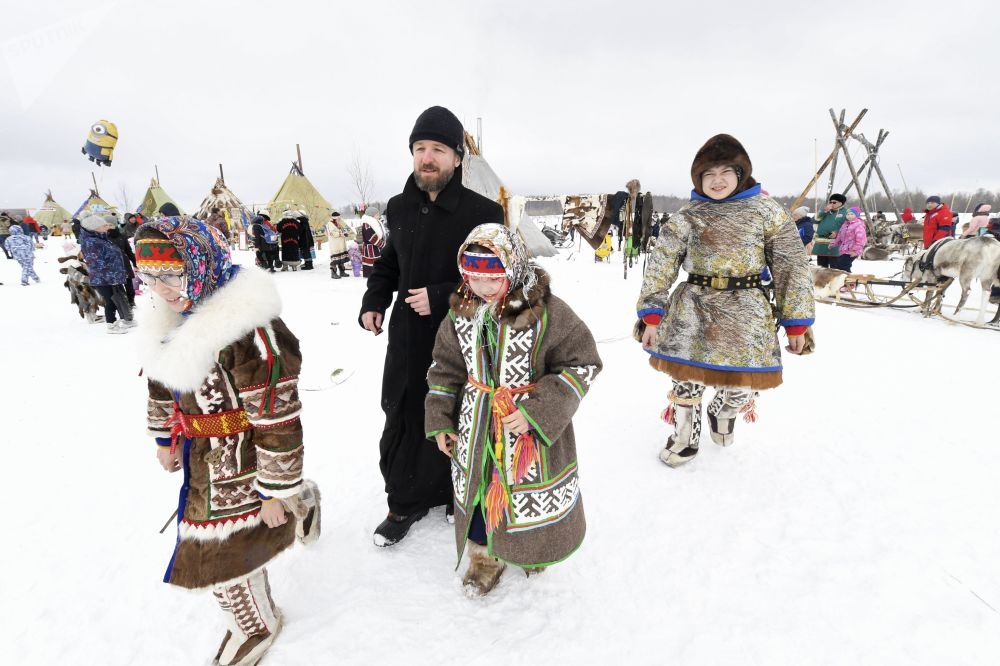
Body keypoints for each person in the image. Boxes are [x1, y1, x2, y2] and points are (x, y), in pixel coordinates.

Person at [133, 216, 319, 666]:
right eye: (149, 276)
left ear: (198, 265)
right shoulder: (171, 315)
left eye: (171, 274)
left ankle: (256, 621)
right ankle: (303, 499)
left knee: (222, 549)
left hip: (246, 454)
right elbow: (161, 380)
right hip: (201, 454)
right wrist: (164, 435)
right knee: (216, 536)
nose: (161, 288)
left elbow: (277, 420)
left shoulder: (250, 331)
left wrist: (272, 490)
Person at [426, 224, 601, 595]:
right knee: (479, 494)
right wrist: (440, 419)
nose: (482, 288)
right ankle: (485, 558)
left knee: (527, 495)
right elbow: (445, 368)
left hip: (526, 430)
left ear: (514, 266)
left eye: (492, 278)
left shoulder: (548, 313)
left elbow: (582, 363)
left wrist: (539, 410)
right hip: (475, 427)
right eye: (472, 278)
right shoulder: (462, 312)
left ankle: (532, 549)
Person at [359, 105, 504, 547]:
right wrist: (373, 300)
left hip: (460, 339)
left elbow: (495, 276)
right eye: (420, 148)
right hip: (406, 338)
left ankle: (451, 493)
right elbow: (388, 263)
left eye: (438, 149)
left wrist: (442, 294)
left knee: (456, 411)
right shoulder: (399, 207)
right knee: (402, 411)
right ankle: (403, 503)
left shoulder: (483, 212)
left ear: (457, 158)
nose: (427, 157)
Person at [636, 134, 814, 468]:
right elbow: (661, 263)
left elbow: (791, 265)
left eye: (725, 172)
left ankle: (724, 409)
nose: (717, 181)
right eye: (708, 174)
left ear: (740, 172)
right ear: (698, 179)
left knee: (742, 380)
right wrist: (652, 313)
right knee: (685, 378)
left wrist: (797, 322)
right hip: (693, 305)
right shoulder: (690, 214)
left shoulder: (767, 212)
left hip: (747, 307)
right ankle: (685, 436)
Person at [78, 214, 135, 334]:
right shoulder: (91, 242)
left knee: (118, 299)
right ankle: (111, 325)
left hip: (111, 276)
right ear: (95, 228)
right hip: (103, 278)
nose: (106, 227)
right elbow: (98, 263)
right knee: (111, 301)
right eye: (103, 225)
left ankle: (122, 320)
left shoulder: (100, 238)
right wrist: (113, 276)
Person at [812, 193, 848, 268]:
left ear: (841, 203)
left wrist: (837, 232)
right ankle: (822, 280)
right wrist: (824, 211)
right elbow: (814, 220)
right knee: (821, 267)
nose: (831, 204)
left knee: (834, 267)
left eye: (834, 202)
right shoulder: (825, 211)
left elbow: (848, 227)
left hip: (835, 244)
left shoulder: (846, 213)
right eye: (830, 202)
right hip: (821, 243)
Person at [830, 206, 867, 273]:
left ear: (857, 215)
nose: (849, 216)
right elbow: (840, 237)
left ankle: (849, 280)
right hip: (844, 249)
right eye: (848, 214)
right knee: (839, 265)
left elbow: (861, 239)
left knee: (843, 265)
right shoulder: (845, 224)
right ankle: (843, 280)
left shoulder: (858, 225)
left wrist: (855, 250)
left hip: (853, 250)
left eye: (852, 214)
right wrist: (834, 243)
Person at [359, 210, 385, 277]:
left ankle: (377, 275)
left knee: (377, 263)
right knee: (372, 264)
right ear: (372, 215)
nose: (379, 216)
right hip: (371, 249)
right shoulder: (367, 225)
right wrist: (382, 244)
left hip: (376, 247)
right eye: (377, 214)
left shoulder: (375, 222)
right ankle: (372, 276)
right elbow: (371, 237)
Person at [326, 211, 351, 279]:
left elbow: (341, 230)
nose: (340, 219)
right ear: (335, 218)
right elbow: (332, 233)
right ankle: (333, 273)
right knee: (335, 259)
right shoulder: (329, 224)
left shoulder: (338, 223)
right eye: (339, 217)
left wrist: (344, 233)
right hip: (335, 244)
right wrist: (341, 234)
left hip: (340, 243)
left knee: (341, 258)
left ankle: (342, 272)